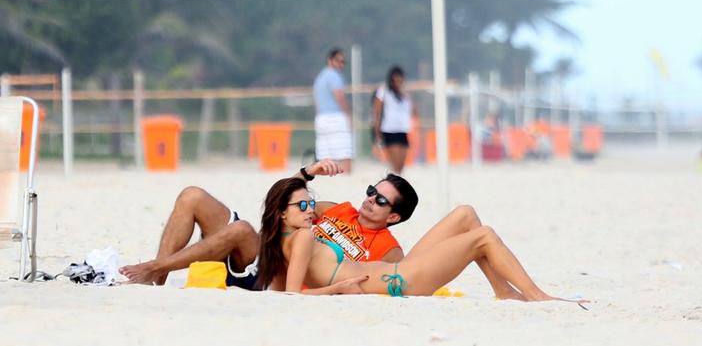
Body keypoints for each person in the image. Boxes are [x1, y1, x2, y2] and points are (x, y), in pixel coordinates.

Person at [256, 177, 586, 305]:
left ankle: (504, 291)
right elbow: (291, 295)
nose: (311, 208)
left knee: (466, 215)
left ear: (393, 217)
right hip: (396, 278)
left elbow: (288, 286)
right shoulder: (304, 235)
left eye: (311, 203)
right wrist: (337, 289)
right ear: (282, 214)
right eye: (302, 206)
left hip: (394, 269)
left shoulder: (304, 230)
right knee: (483, 237)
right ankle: (537, 296)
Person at [118, 160, 417, 288]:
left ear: (394, 217)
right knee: (192, 196)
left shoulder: (389, 250)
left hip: (272, 271)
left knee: (242, 229)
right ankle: (156, 278)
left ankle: (156, 267)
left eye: (380, 200)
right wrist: (307, 172)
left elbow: (397, 278)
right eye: (371, 191)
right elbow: (286, 201)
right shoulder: (338, 210)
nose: (370, 199)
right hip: (259, 249)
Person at [313, 48, 353, 174]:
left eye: (343, 62)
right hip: (335, 117)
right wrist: (349, 114)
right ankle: (346, 176)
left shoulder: (320, 77)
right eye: (338, 61)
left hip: (321, 118)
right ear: (330, 60)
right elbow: (339, 96)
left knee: (325, 153)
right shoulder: (334, 76)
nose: (341, 64)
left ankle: (329, 178)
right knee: (345, 150)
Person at [372, 66, 417, 174]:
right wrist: (377, 132)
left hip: (403, 130)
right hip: (389, 130)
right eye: (395, 79)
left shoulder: (404, 94)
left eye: (400, 79)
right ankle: (394, 185)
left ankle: (397, 182)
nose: (398, 82)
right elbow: (377, 112)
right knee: (395, 164)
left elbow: (412, 110)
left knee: (401, 165)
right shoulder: (383, 91)